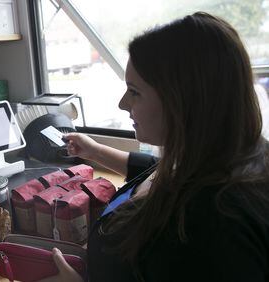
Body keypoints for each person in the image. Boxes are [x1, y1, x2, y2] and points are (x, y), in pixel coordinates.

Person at [43, 12, 269, 281]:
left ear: (182, 101)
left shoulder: (212, 225)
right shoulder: (215, 154)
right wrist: (94, 151)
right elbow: (156, 171)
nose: (123, 103)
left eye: (135, 91)